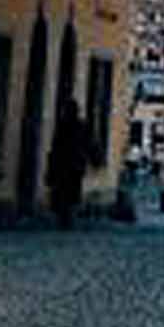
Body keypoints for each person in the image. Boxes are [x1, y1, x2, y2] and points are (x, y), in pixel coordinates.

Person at [46, 96, 89, 228]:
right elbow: (88, 144)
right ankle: (67, 219)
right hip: (73, 165)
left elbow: (55, 147)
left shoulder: (63, 126)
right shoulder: (78, 126)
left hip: (65, 165)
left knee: (64, 192)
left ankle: (64, 218)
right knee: (70, 194)